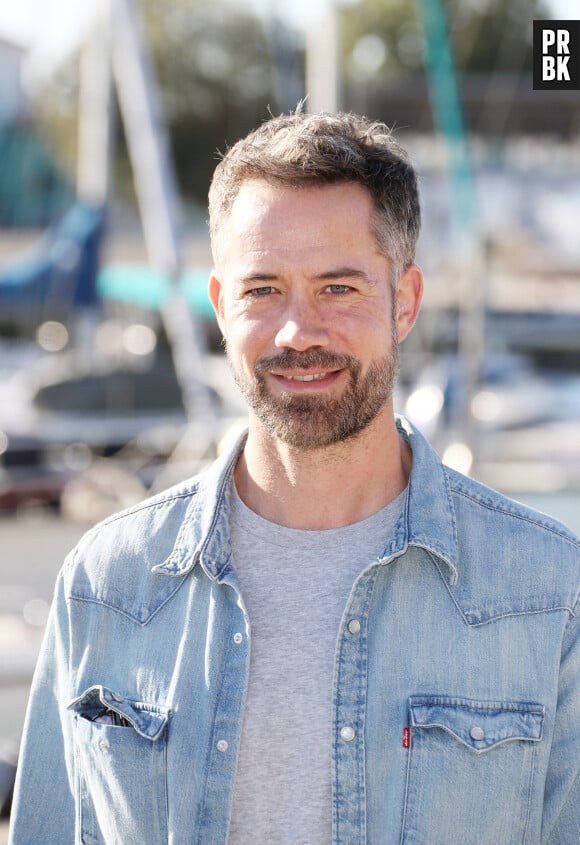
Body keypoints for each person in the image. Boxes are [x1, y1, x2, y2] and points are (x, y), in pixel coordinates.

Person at [9, 111, 580, 845]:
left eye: (338, 288)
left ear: (404, 301)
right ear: (220, 306)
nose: (296, 332)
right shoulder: (107, 584)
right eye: (263, 290)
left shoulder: (548, 592)